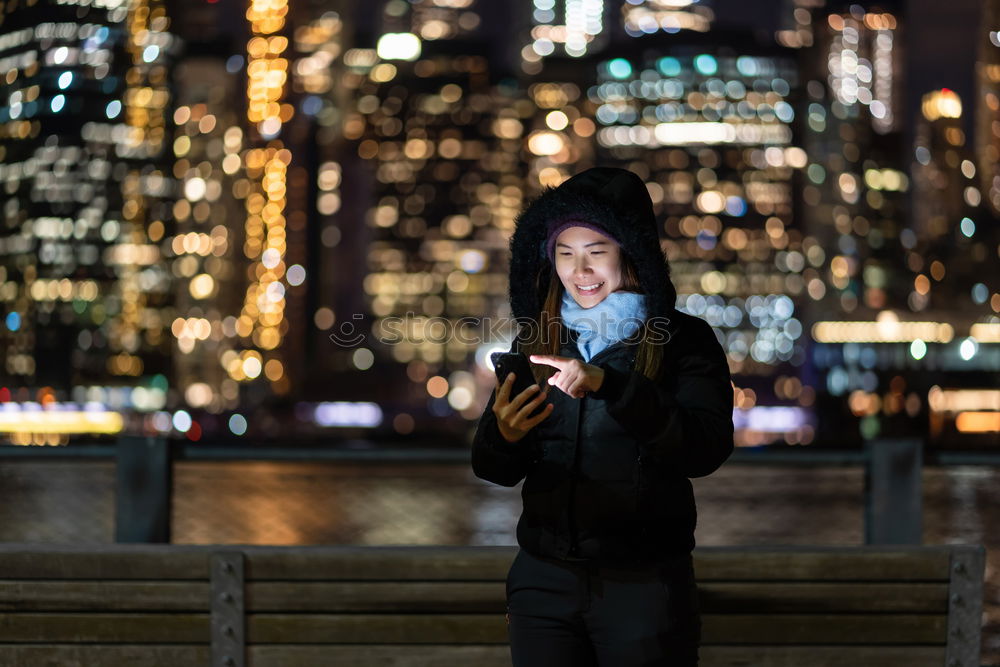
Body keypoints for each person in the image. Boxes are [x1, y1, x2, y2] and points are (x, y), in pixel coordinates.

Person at [471, 167, 734, 666]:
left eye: (596, 252)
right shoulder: (538, 340)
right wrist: (504, 434)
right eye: (565, 253)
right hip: (543, 582)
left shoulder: (682, 341)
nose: (580, 271)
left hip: (644, 585)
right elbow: (493, 469)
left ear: (629, 254)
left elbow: (704, 449)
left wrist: (611, 384)